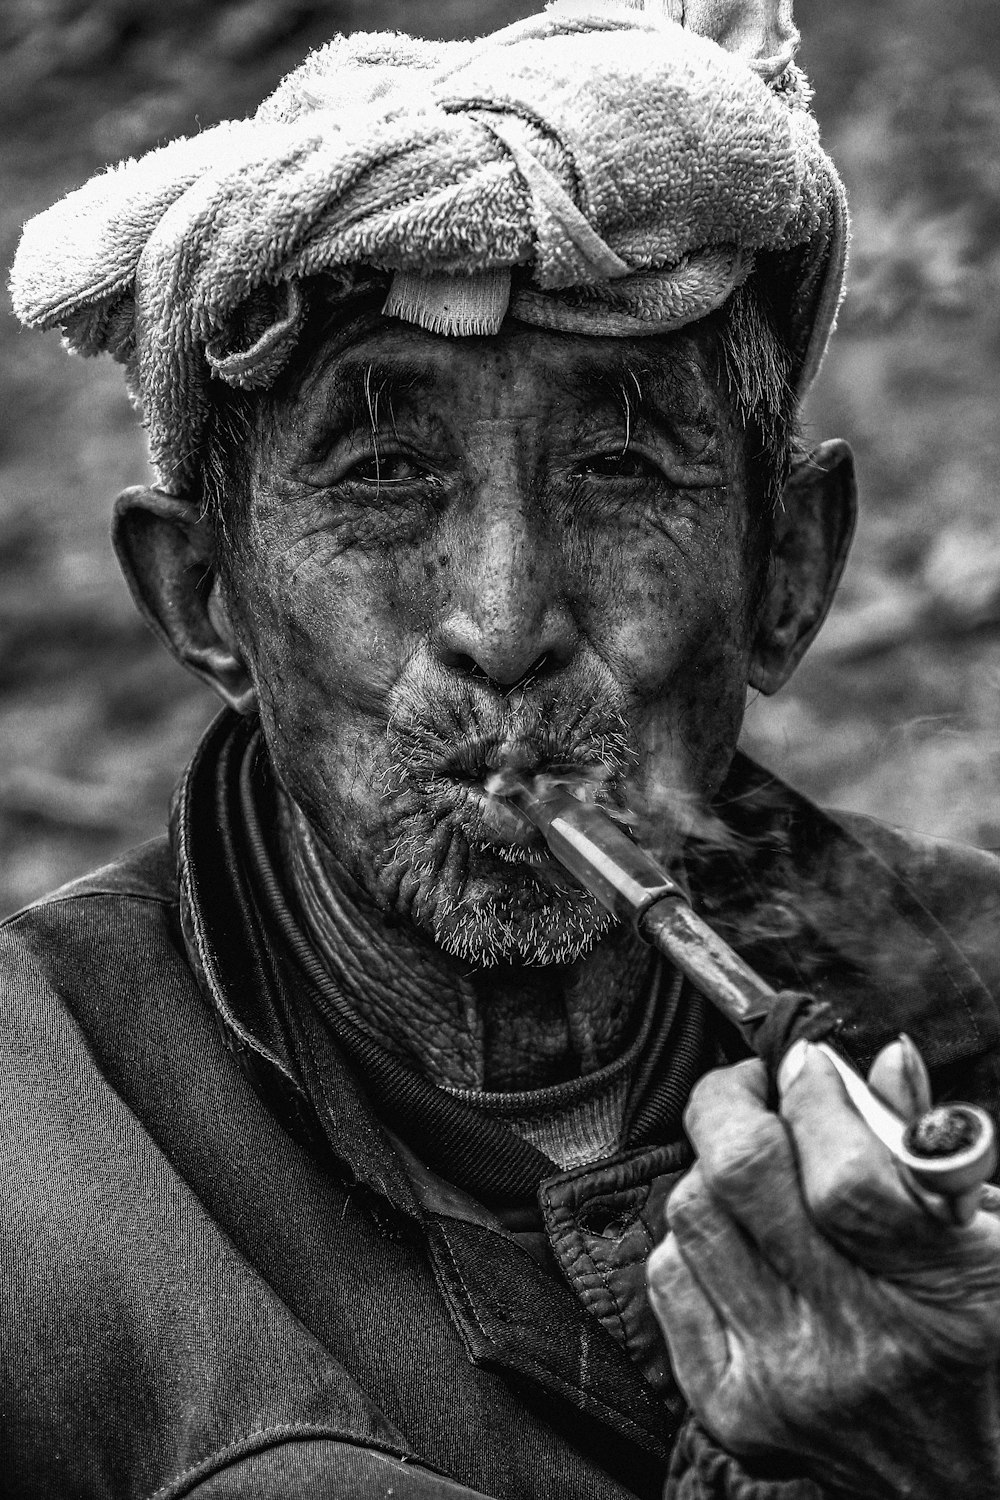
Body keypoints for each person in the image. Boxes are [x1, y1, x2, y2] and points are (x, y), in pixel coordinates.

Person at [6, 3, 1000, 1496]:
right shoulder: (31, 1125)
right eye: (387, 473)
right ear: (207, 600)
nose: (505, 617)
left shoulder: (976, 979)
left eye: (620, 465)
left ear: (786, 570)